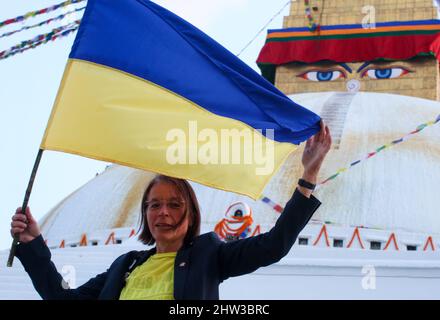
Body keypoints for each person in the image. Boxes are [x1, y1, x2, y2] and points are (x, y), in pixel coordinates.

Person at [10, 122, 332, 300]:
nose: (162, 212)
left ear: (191, 214)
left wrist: (308, 177)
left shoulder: (209, 256)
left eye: (174, 204)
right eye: (154, 205)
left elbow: (273, 245)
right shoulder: (125, 266)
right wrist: (32, 244)